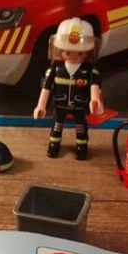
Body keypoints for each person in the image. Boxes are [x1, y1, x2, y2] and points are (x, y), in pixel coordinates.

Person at [33, 17, 103, 160]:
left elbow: (94, 85)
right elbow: (46, 87)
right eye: (69, 52)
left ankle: (81, 147)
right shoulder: (55, 69)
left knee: (81, 128)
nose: (74, 56)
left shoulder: (89, 71)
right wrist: (41, 105)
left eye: (80, 53)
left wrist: (95, 100)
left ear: (87, 52)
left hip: (80, 105)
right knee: (56, 126)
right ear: (60, 50)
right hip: (60, 104)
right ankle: (54, 145)